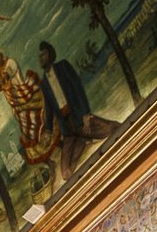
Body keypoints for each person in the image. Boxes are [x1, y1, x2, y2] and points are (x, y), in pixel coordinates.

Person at [37, 42, 121, 181]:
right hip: (67, 129)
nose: (41, 58)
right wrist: (48, 131)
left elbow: (78, 87)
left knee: (115, 128)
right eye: (39, 56)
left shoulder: (63, 66)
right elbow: (49, 107)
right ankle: (81, 141)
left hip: (79, 119)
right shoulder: (44, 84)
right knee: (65, 173)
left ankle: (84, 137)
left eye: (43, 54)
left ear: (50, 55)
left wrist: (87, 115)